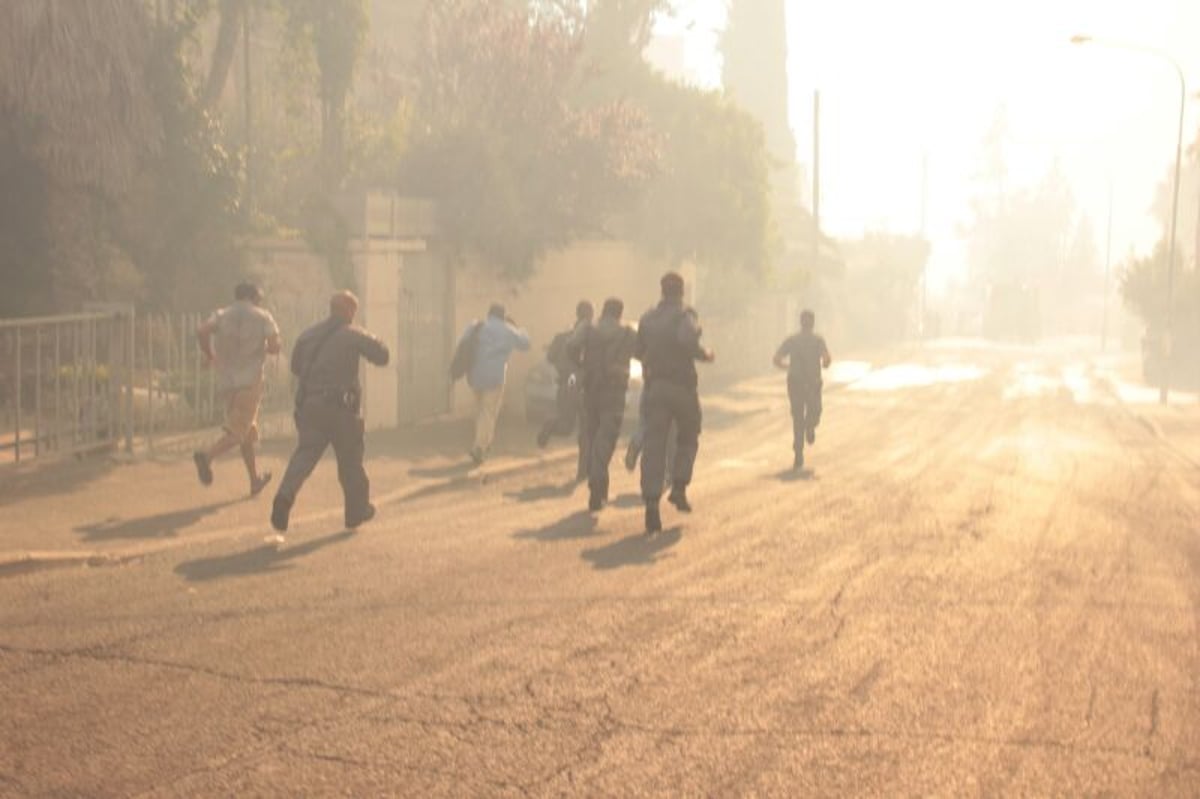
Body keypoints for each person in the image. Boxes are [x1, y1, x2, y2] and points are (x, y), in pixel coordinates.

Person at [270, 291, 390, 535]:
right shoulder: (352, 333)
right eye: (353, 311)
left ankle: (284, 496)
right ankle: (356, 511)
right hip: (341, 409)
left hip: (310, 406)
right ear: (348, 311)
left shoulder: (308, 335)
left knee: (304, 456)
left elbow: (295, 367)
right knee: (351, 460)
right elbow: (381, 354)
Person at [635, 272, 715, 533]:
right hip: (681, 388)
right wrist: (705, 354)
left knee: (654, 445)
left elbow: (637, 351)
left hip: (655, 388)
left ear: (662, 291)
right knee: (689, 436)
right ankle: (679, 486)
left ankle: (651, 506)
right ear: (680, 292)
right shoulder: (685, 315)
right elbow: (688, 339)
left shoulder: (648, 318)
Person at [193, 282, 281, 496]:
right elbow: (275, 346)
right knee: (237, 431)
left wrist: (210, 355)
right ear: (254, 296)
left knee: (246, 432)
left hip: (227, 382)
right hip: (249, 381)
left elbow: (202, 330)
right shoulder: (263, 316)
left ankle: (254, 481)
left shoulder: (221, 314)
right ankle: (207, 456)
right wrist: (268, 346)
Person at [572, 298, 637, 512]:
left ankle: (599, 488)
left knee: (592, 437)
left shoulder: (588, 330)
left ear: (603, 311)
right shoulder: (627, 334)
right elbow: (644, 354)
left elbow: (570, 347)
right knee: (606, 440)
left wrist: (582, 365)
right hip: (614, 394)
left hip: (591, 391)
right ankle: (597, 485)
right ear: (619, 313)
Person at [462, 303, 530, 465]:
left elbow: (463, 342)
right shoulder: (507, 329)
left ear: (489, 313)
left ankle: (484, 444)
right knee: (489, 412)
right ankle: (480, 447)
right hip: (494, 377)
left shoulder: (476, 326)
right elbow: (525, 343)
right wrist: (519, 329)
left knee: (479, 411)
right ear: (502, 315)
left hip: (474, 375)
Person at [537, 300, 594, 481]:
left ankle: (550, 426)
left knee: (565, 426)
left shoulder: (562, 337)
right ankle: (582, 471)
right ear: (591, 315)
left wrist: (566, 370)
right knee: (586, 431)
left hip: (568, 383)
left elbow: (550, 357)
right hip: (584, 386)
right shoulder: (594, 336)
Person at [773, 309, 832, 470]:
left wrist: (788, 367)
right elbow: (826, 358)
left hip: (795, 383)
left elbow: (776, 359)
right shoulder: (818, 340)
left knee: (797, 418)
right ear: (813, 323)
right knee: (815, 411)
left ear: (801, 322)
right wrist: (826, 362)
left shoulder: (792, 340)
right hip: (812, 383)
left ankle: (799, 452)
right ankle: (810, 427)